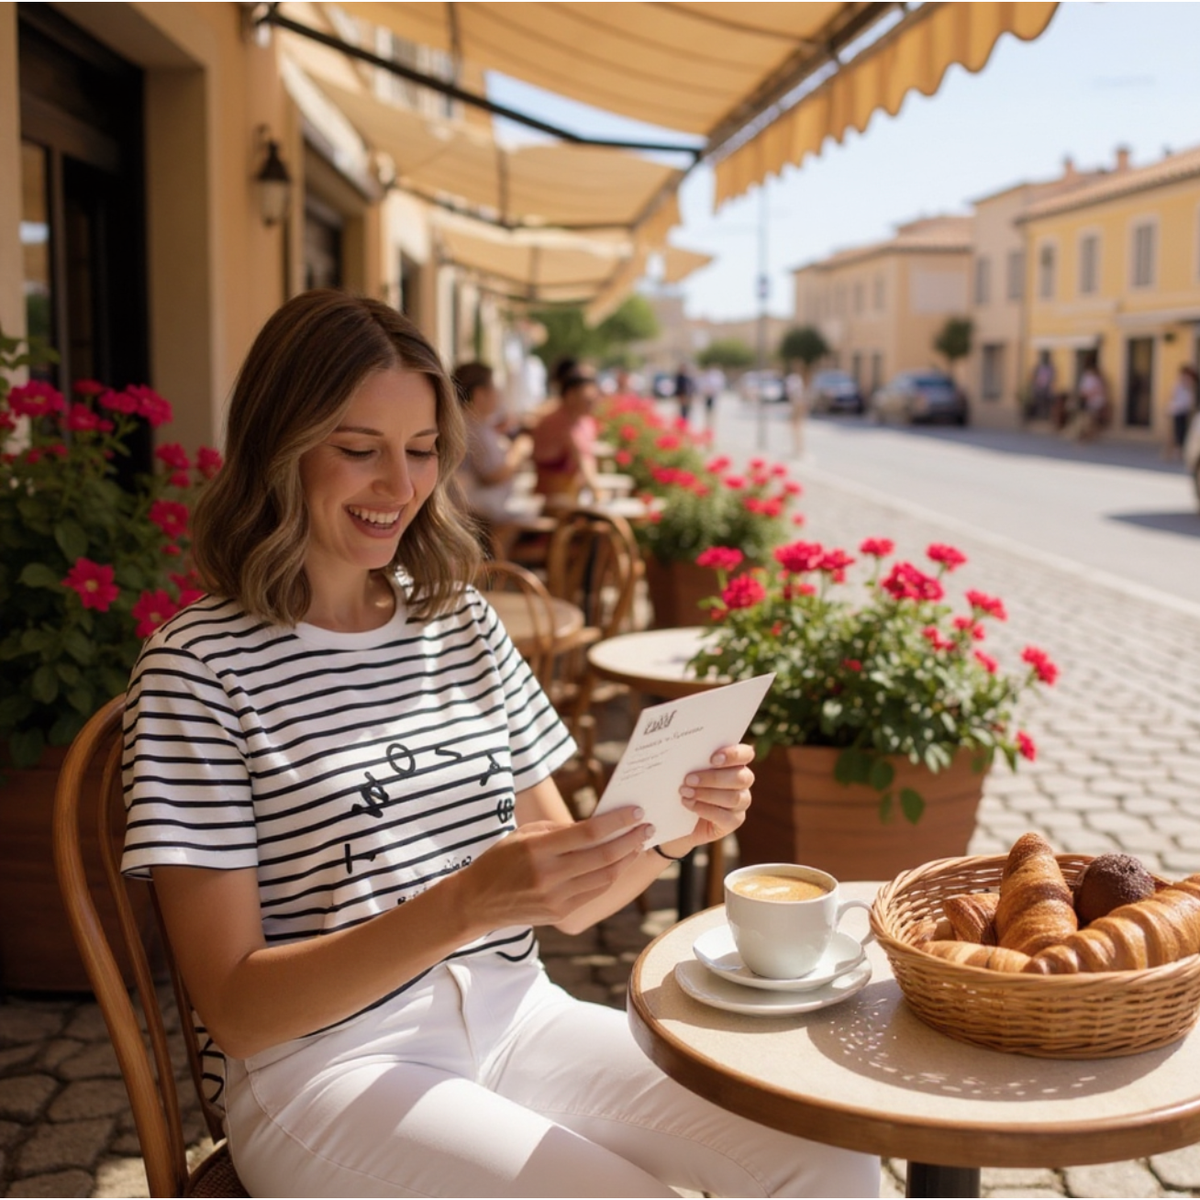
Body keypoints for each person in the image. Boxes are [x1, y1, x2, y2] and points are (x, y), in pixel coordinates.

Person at [119, 290, 878, 1198]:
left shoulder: (461, 623)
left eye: (423, 450)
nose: (399, 487)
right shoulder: (196, 669)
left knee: (826, 1154)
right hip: (324, 1070)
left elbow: (570, 899)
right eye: (359, 450)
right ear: (278, 449)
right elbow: (237, 1013)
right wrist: (462, 905)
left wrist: (677, 828)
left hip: (520, 1020)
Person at [453, 360, 531, 527]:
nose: (499, 395)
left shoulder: (471, 422)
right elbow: (492, 475)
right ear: (480, 394)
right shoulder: (471, 425)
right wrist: (519, 451)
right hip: (478, 514)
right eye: (495, 389)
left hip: (474, 509)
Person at [529, 368, 601, 505]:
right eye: (588, 400)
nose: (593, 404)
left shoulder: (583, 421)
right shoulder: (558, 422)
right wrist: (598, 493)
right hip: (554, 501)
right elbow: (584, 460)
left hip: (571, 495)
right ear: (570, 395)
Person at [1165, 364, 1198, 461]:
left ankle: (1179, 452)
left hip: (1185, 411)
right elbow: (1174, 397)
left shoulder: (1189, 385)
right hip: (1177, 411)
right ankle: (1173, 452)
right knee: (1176, 432)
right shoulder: (1178, 385)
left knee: (1183, 432)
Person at [700, 364, 725, 432]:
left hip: (713, 397)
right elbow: (703, 385)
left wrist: (713, 390)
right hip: (707, 396)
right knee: (707, 413)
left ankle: (711, 427)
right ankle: (707, 426)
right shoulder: (707, 376)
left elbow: (719, 387)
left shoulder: (718, 377)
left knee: (712, 413)